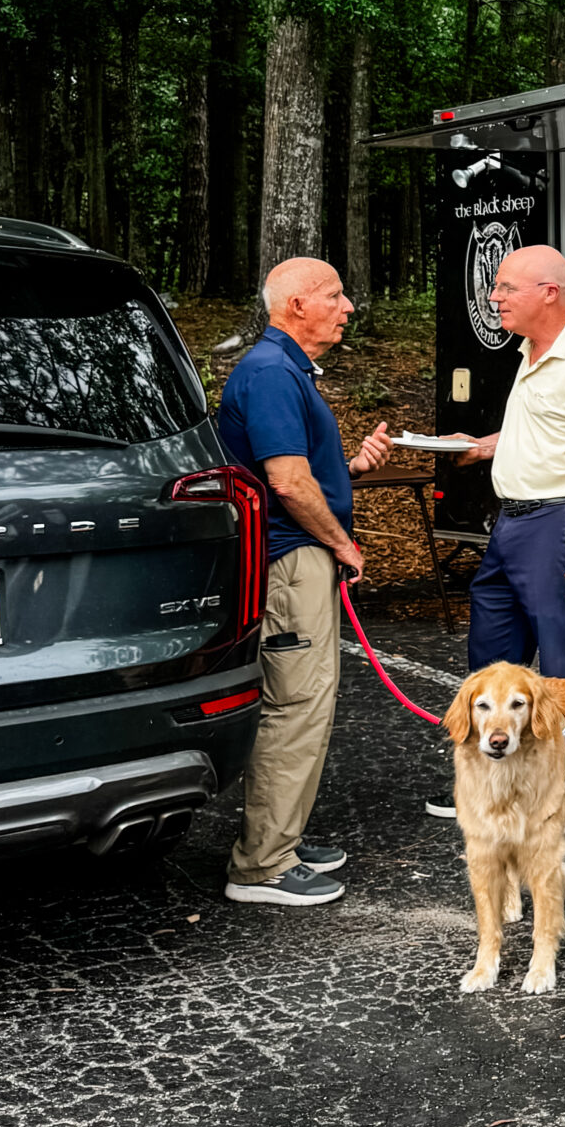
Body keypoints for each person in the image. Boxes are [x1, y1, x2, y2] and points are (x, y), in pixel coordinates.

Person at [433, 245, 565, 817]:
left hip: (557, 523)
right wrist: (482, 446)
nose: (494, 297)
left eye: (505, 288)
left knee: (563, 666)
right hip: (511, 524)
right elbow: (546, 433)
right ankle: (493, 783)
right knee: (492, 657)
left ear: (549, 293)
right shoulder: (530, 350)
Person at [217, 260, 392, 907]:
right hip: (291, 563)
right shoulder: (271, 372)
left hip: (294, 557)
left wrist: (351, 468)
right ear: (296, 305)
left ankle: (279, 841)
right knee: (297, 707)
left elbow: (294, 471)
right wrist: (343, 544)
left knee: (303, 703)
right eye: (334, 295)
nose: (348, 307)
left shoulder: (285, 370)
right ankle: (261, 866)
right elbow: (288, 485)